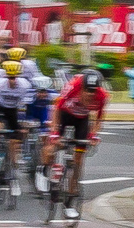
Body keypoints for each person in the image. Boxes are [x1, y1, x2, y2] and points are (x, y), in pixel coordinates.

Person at [43, 69, 109, 219]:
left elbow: (99, 118)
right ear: (81, 88)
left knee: (78, 161)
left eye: (93, 91)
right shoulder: (72, 88)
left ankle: (70, 203)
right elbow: (56, 109)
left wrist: (93, 136)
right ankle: (46, 169)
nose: (90, 94)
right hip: (64, 115)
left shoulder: (102, 96)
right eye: (87, 91)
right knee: (53, 146)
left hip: (82, 120)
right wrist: (54, 133)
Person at [0, 61, 34, 197]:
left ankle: (14, 178)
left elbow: (24, 106)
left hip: (14, 111)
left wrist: (22, 125)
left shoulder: (24, 85)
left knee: (14, 142)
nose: (12, 80)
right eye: (9, 77)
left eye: (14, 77)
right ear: (6, 76)